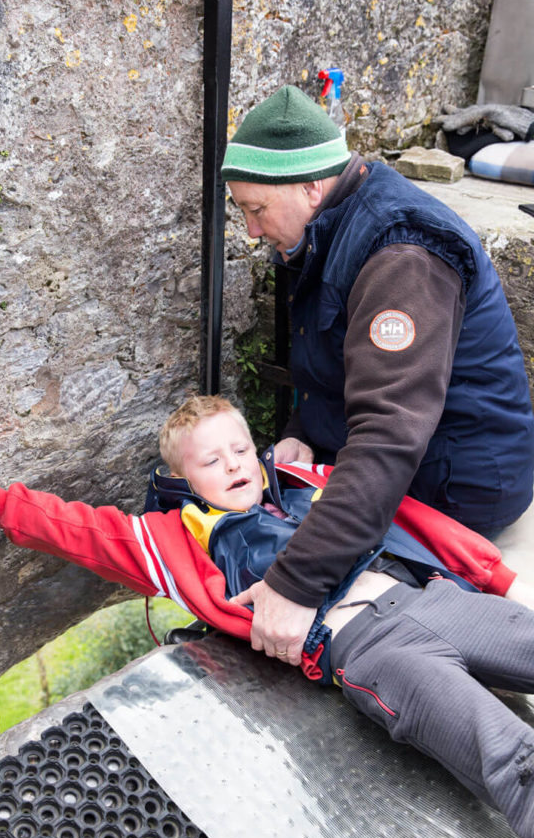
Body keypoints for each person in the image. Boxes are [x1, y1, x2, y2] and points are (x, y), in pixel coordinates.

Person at [0, 395, 534, 838]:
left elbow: (404, 513)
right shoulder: (181, 539)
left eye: (241, 450)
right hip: (373, 651)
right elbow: (86, 532)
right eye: (210, 460)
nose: (232, 464)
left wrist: (492, 574)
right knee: (512, 758)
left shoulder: (309, 482)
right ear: (184, 480)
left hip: (429, 600)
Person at [220, 83, 534, 666]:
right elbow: (336, 352)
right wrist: (303, 425)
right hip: (412, 460)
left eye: (255, 208)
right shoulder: (328, 226)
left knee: (358, 626)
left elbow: (391, 433)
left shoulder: (402, 255)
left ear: (312, 186)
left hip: (456, 485)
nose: (250, 231)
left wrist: (296, 586)